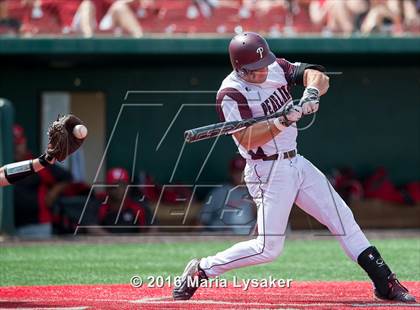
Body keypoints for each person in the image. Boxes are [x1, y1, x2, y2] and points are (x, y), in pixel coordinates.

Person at [173, 32, 415, 303]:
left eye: (265, 63)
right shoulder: (230, 93)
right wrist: (281, 121)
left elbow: (318, 76)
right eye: (255, 68)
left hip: (295, 161)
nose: (263, 70)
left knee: (343, 219)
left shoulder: (275, 67)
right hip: (266, 170)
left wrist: (311, 92)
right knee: (268, 249)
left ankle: (385, 284)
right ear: (240, 69)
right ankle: (202, 269)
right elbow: (247, 139)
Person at [9, 124, 73, 238]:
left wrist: (53, 193)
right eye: (12, 145)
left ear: (24, 142)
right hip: (9, 227)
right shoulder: (4, 167)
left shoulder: (36, 163)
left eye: (18, 144)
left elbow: (67, 177)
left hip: (37, 225)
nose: (15, 148)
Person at [200, 155, 256, 235]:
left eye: (242, 172)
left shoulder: (254, 192)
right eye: (236, 172)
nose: (239, 175)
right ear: (230, 173)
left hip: (245, 235)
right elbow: (203, 219)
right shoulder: (219, 192)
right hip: (220, 234)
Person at [98, 167, 147, 233]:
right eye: (115, 186)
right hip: (105, 242)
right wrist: (116, 241)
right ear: (107, 188)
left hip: (134, 242)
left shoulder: (137, 206)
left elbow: (152, 228)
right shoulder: (98, 204)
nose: (119, 189)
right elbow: (91, 228)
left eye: (123, 185)